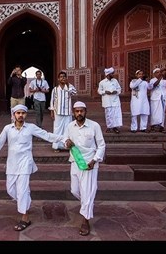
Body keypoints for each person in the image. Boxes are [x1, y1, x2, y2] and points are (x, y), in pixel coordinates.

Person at [0, 104, 68, 231]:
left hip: (25, 163)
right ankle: (25, 201)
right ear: (14, 115)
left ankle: (25, 217)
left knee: (22, 190)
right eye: (18, 113)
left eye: (23, 113)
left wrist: (63, 138)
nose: (20, 115)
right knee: (10, 190)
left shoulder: (31, 128)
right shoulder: (7, 129)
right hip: (12, 164)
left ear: (26, 115)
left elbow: (47, 135)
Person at [64, 101, 105, 236]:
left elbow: (101, 145)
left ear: (86, 111)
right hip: (75, 162)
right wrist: (67, 143)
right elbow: (65, 140)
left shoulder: (94, 126)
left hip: (89, 164)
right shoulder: (70, 126)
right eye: (77, 111)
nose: (79, 113)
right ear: (73, 112)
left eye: (82, 111)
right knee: (75, 190)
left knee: (87, 193)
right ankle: (87, 205)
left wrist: (94, 160)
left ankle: (85, 220)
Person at [49, 71, 77, 151]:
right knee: (57, 129)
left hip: (67, 112)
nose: (63, 78)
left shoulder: (69, 87)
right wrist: (52, 112)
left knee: (68, 129)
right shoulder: (55, 89)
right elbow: (52, 101)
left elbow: (74, 93)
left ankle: (67, 146)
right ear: (58, 79)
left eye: (64, 77)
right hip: (58, 112)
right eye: (61, 77)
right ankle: (56, 146)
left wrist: (68, 85)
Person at [97, 67, 123, 134]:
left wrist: (116, 91)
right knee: (108, 114)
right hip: (107, 101)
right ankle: (109, 127)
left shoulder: (115, 81)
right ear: (108, 74)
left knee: (116, 114)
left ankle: (115, 127)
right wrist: (105, 92)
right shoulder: (102, 82)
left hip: (115, 100)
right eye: (112, 74)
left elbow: (119, 89)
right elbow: (99, 91)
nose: (113, 75)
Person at [148, 67, 166, 133]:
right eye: (157, 72)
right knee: (154, 112)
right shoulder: (152, 80)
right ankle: (153, 126)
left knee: (162, 113)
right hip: (155, 98)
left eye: (160, 72)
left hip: (163, 98)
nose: (159, 73)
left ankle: (161, 126)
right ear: (154, 74)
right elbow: (154, 85)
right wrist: (160, 77)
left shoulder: (164, 81)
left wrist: (165, 75)